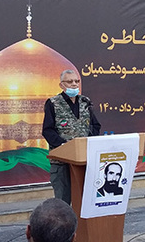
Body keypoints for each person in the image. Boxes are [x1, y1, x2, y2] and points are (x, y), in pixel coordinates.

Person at [42, 69, 101, 204]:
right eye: (70, 82)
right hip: (62, 162)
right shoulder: (53, 103)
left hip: (83, 160)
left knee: (84, 201)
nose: (74, 84)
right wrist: (64, 146)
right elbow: (48, 130)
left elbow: (95, 125)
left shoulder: (85, 102)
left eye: (76, 81)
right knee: (63, 202)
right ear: (61, 85)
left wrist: (89, 143)